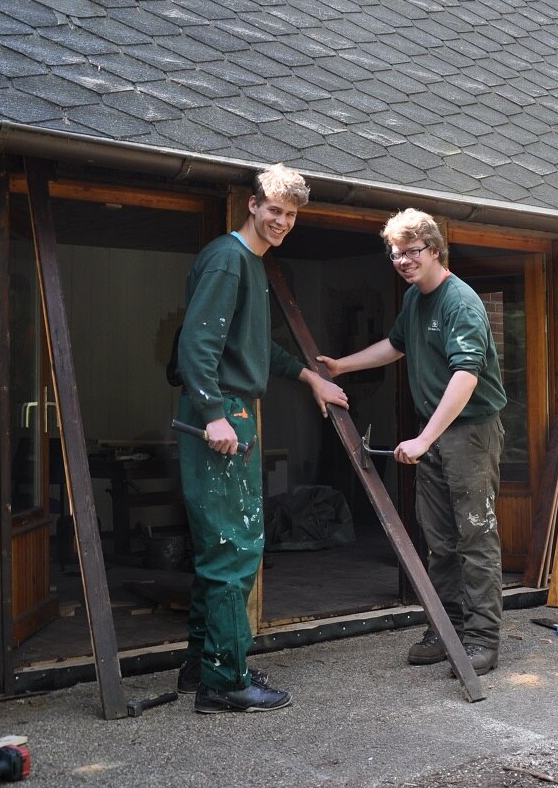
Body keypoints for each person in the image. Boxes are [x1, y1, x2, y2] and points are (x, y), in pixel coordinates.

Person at [174, 162, 348, 714]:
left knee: (221, 545)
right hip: (222, 413)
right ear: (252, 205)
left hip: (230, 408)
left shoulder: (250, 263)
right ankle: (223, 683)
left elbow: (255, 350)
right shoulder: (229, 260)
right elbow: (197, 348)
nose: (282, 221)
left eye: (291, 215)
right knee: (235, 547)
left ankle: (202, 664)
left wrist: (311, 378)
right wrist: (213, 413)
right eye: (274, 210)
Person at [318, 209, 507, 676]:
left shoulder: (460, 301)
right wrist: (342, 366)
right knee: (440, 541)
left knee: (475, 538)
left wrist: (424, 438)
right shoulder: (414, 300)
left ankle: (483, 640)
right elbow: (395, 345)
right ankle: (446, 629)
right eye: (396, 253)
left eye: (412, 251)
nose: (403, 261)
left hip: (470, 432)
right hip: (436, 433)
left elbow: (467, 376)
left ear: (435, 250)